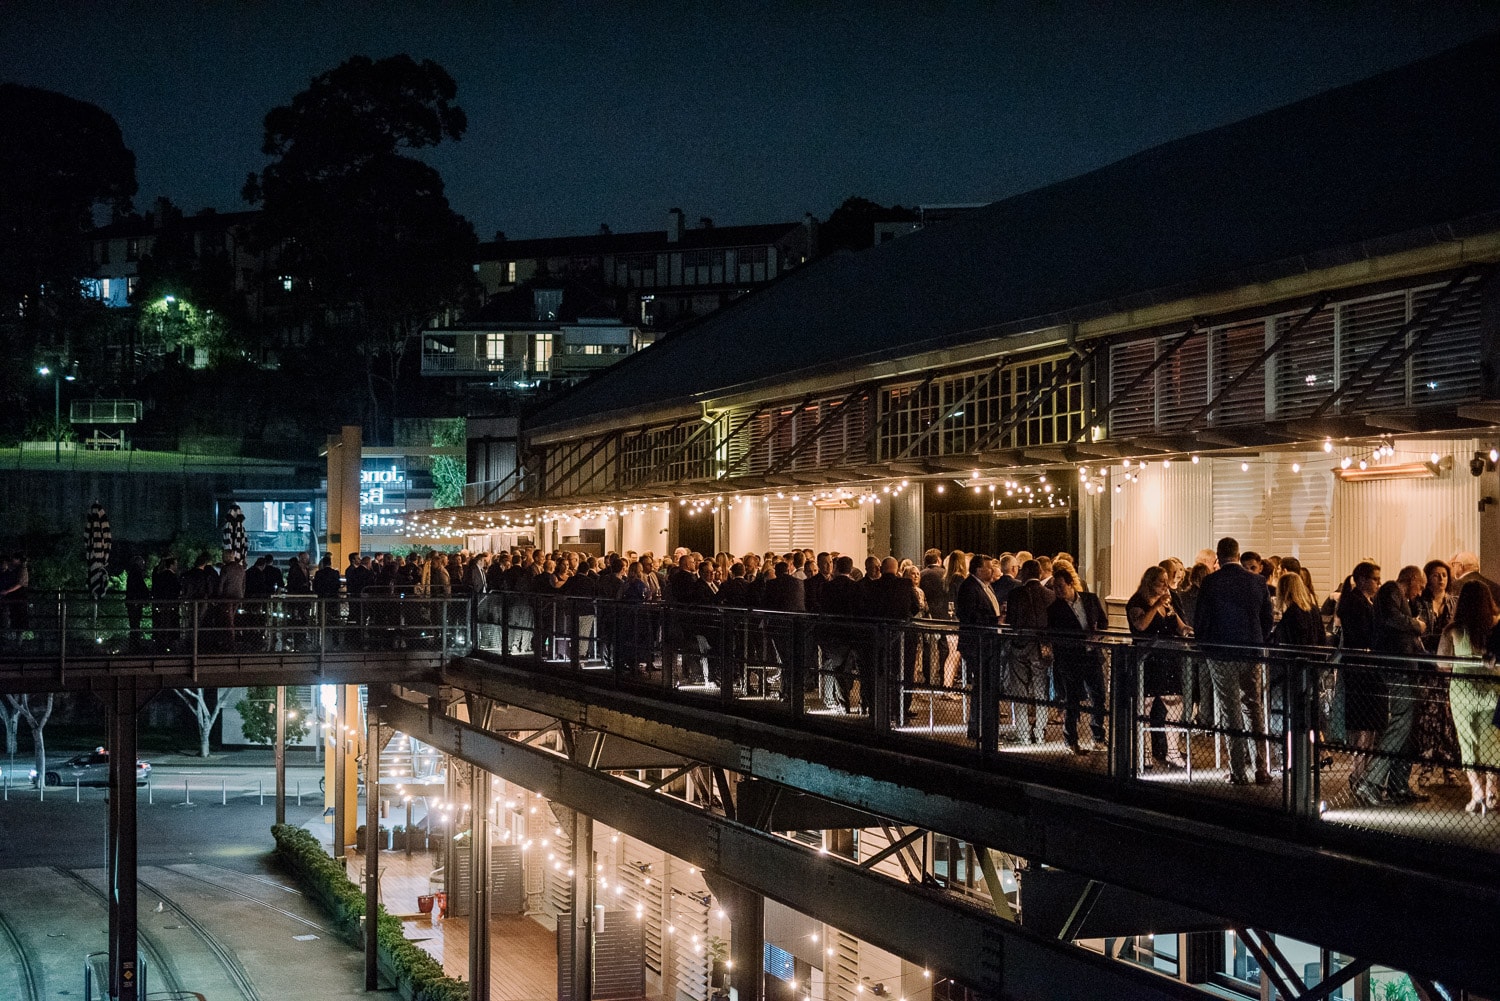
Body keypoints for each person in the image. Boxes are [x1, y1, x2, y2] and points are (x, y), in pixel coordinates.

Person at [1193, 537, 1275, 786]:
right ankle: (1261, 767)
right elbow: (1267, 619)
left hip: (1221, 653)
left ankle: (1237, 771)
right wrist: (1257, 641)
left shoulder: (1210, 582)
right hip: (1251, 651)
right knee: (1253, 706)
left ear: (1218, 556)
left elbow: (1201, 621)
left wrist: (1206, 647)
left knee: (1230, 710)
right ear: (1238, 555)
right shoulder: (1258, 581)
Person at [1365, 565, 1430, 805]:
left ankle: (1398, 785)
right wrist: (1417, 625)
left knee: (1407, 726)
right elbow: (1392, 618)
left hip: (1404, 667)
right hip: (1397, 667)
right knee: (1401, 723)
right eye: (1420, 585)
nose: (1421, 591)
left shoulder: (1400, 597)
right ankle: (1370, 780)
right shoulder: (1391, 589)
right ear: (1411, 579)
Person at [1442, 583, 1500, 812]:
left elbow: (1442, 662)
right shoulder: (1495, 626)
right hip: (1492, 687)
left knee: (1466, 739)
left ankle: (1476, 790)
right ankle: (1492, 790)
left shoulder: (1453, 630)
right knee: (1491, 740)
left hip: (1462, 690)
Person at [1127, 565, 1189, 769]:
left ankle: (1173, 750)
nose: (1165, 585)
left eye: (1166, 581)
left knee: (1175, 703)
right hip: (1148, 660)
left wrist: (1188, 631)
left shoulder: (1168, 602)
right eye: (1161, 581)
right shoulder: (1137, 602)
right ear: (1149, 582)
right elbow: (1141, 625)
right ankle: (1143, 753)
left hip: (1170, 659)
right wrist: (1155, 607)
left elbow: (1179, 626)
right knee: (1145, 706)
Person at [1046, 563, 1109, 755]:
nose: (1057, 591)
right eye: (1054, 587)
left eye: (1060, 586)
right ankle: (1070, 739)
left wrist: (1097, 635)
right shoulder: (1054, 609)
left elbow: (1104, 622)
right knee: (1072, 699)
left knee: (1099, 696)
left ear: (1071, 584)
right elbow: (1054, 635)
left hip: (1091, 655)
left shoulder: (1090, 600)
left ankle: (1098, 736)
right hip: (1070, 659)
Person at [955, 555, 1003, 744]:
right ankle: (979, 727)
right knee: (982, 685)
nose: (992, 571)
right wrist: (994, 621)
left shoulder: (986, 586)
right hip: (976, 644)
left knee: (985, 685)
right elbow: (969, 615)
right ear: (978, 570)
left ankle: (983, 726)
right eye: (988, 568)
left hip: (987, 643)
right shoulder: (969, 587)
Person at [1005, 559, 1053, 745]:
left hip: (1019, 644)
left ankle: (1023, 732)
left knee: (1019, 690)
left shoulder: (1015, 594)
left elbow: (1011, 620)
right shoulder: (1049, 595)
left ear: (1023, 573)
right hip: (1041, 646)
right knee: (1041, 690)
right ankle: (1040, 731)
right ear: (1040, 574)